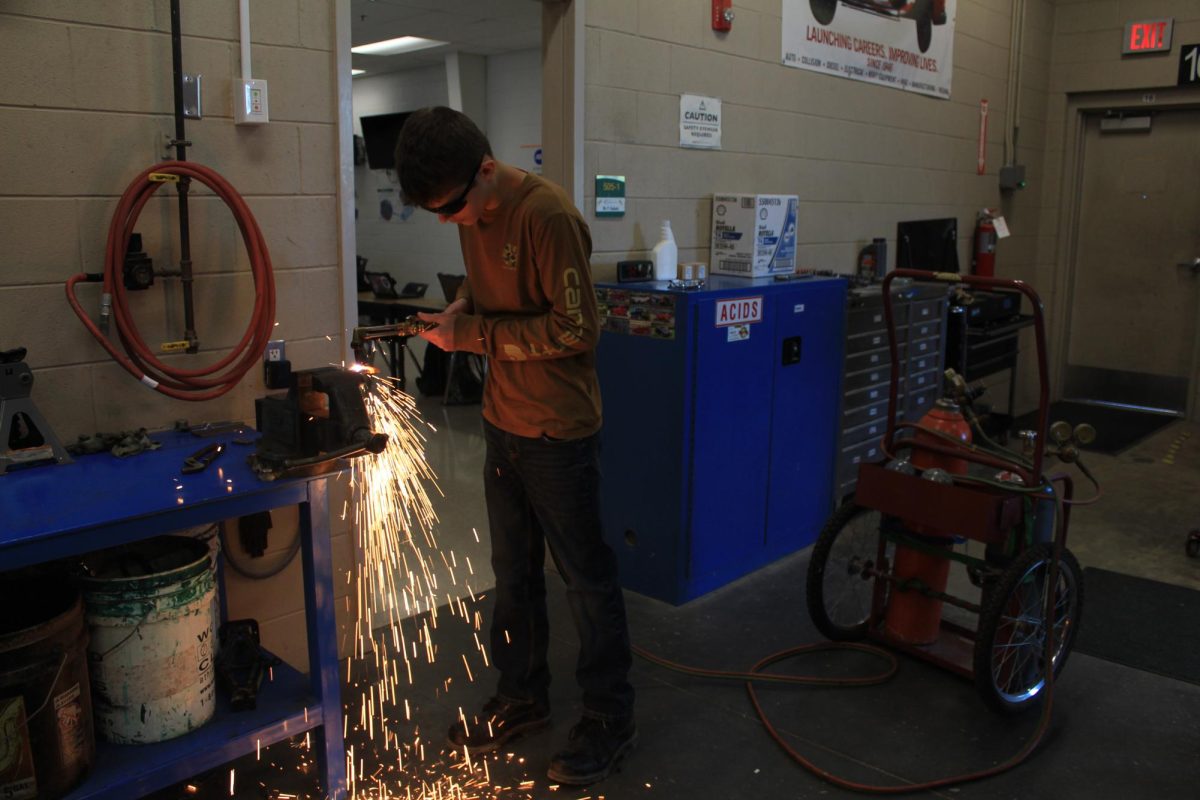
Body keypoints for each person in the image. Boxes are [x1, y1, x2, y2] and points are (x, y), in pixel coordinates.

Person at [393, 106, 635, 786]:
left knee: (585, 580)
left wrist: (472, 338)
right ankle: (522, 696)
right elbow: (483, 277)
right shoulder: (473, 209)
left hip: (558, 431)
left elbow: (578, 330)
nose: (449, 224)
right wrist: (459, 309)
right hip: (504, 423)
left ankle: (610, 716)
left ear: (488, 172)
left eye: (451, 210)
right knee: (514, 575)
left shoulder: (547, 217)